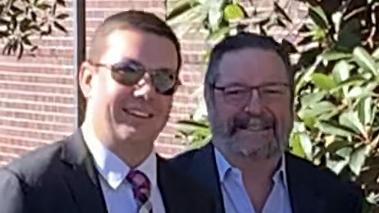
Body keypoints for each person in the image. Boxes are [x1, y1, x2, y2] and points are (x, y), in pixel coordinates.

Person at [0, 10, 216, 213]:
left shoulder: (194, 198)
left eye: (163, 78)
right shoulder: (31, 190)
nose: (147, 91)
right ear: (88, 80)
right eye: (128, 71)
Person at [170, 32, 363, 213]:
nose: (255, 108)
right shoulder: (162, 192)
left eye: (271, 91)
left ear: (291, 100)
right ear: (209, 99)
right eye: (236, 92)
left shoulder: (336, 197)